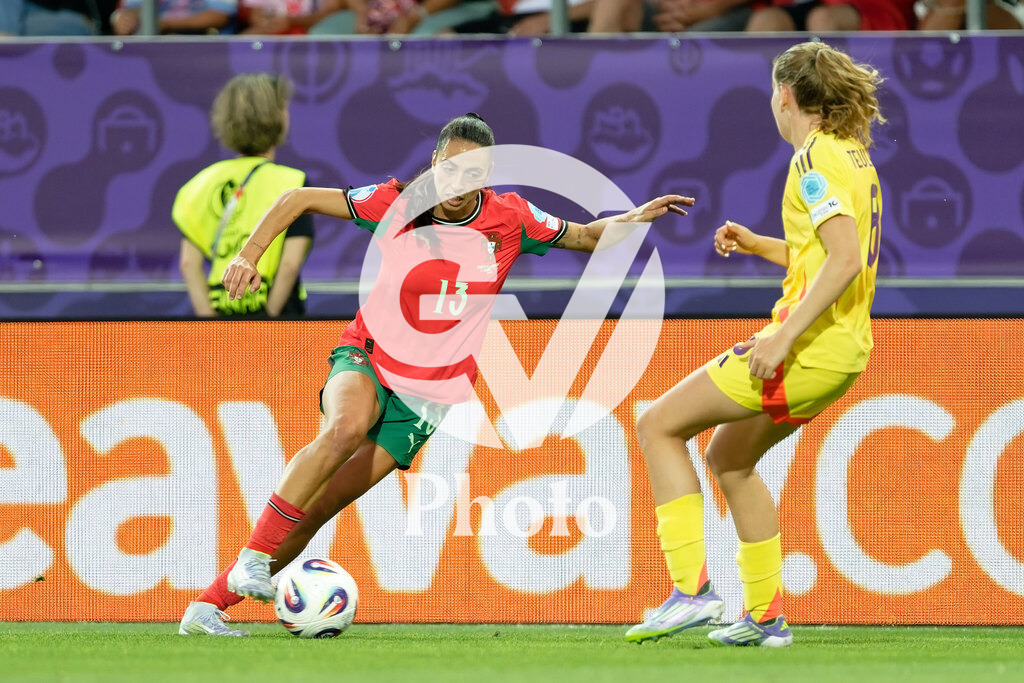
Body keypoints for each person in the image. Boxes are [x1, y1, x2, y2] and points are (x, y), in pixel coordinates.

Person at [177, 113, 693, 636]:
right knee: (342, 429)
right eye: (449, 169)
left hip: (426, 394)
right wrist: (249, 253)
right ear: (433, 163)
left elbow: (584, 236)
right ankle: (251, 559)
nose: (458, 183)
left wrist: (634, 217)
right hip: (370, 356)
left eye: (473, 173)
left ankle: (207, 607)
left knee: (322, 506)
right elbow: (298, 199)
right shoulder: (399, 203)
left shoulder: (510, 218)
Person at [625, 41, 883, 648]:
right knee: (729, 460)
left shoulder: (813, 161)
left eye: (774, 91)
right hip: (844, 352)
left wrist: (782, 335)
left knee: (657, 425)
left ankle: (692, 592)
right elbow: (826, 255)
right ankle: (765, 619)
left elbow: (845, 259)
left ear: (786, 96)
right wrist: (759, 244)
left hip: (806, 347)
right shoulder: (854, 156)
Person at [173, 73, 313, 319]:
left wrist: (208, 320)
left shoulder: (197, 185)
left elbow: (188, 263)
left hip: (222, 311)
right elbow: (290, 264)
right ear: (279, 117)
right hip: (278, 320)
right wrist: (268, 315)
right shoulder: (294, 185)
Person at [746, 0, 915, 31]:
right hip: (795, 6)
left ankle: (831, 108)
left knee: (823, 20)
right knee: (766, 22)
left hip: (869, 8)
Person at [111, 0, 237, 34]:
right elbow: (132, 10)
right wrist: (122, 19)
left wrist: (164, 24)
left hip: (209, 51)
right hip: (152, 49)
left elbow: (220, 16)